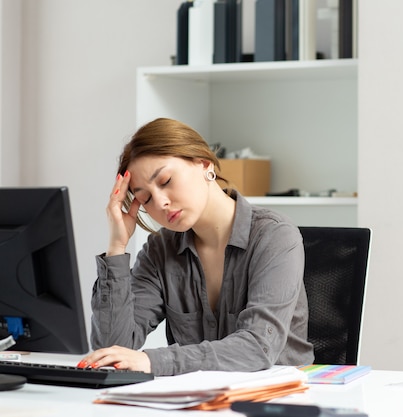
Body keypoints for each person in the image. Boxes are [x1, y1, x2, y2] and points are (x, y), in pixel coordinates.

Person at [78, 118, 314, 376]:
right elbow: (112, 351)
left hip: (278, 400)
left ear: (204, 163)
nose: (161, 202)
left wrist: (152, 361)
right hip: (197, 401)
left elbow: (258, 346)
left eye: (166, 181)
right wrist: (116, 246)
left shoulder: (274, 236)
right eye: (145, 198)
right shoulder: (160, 250)